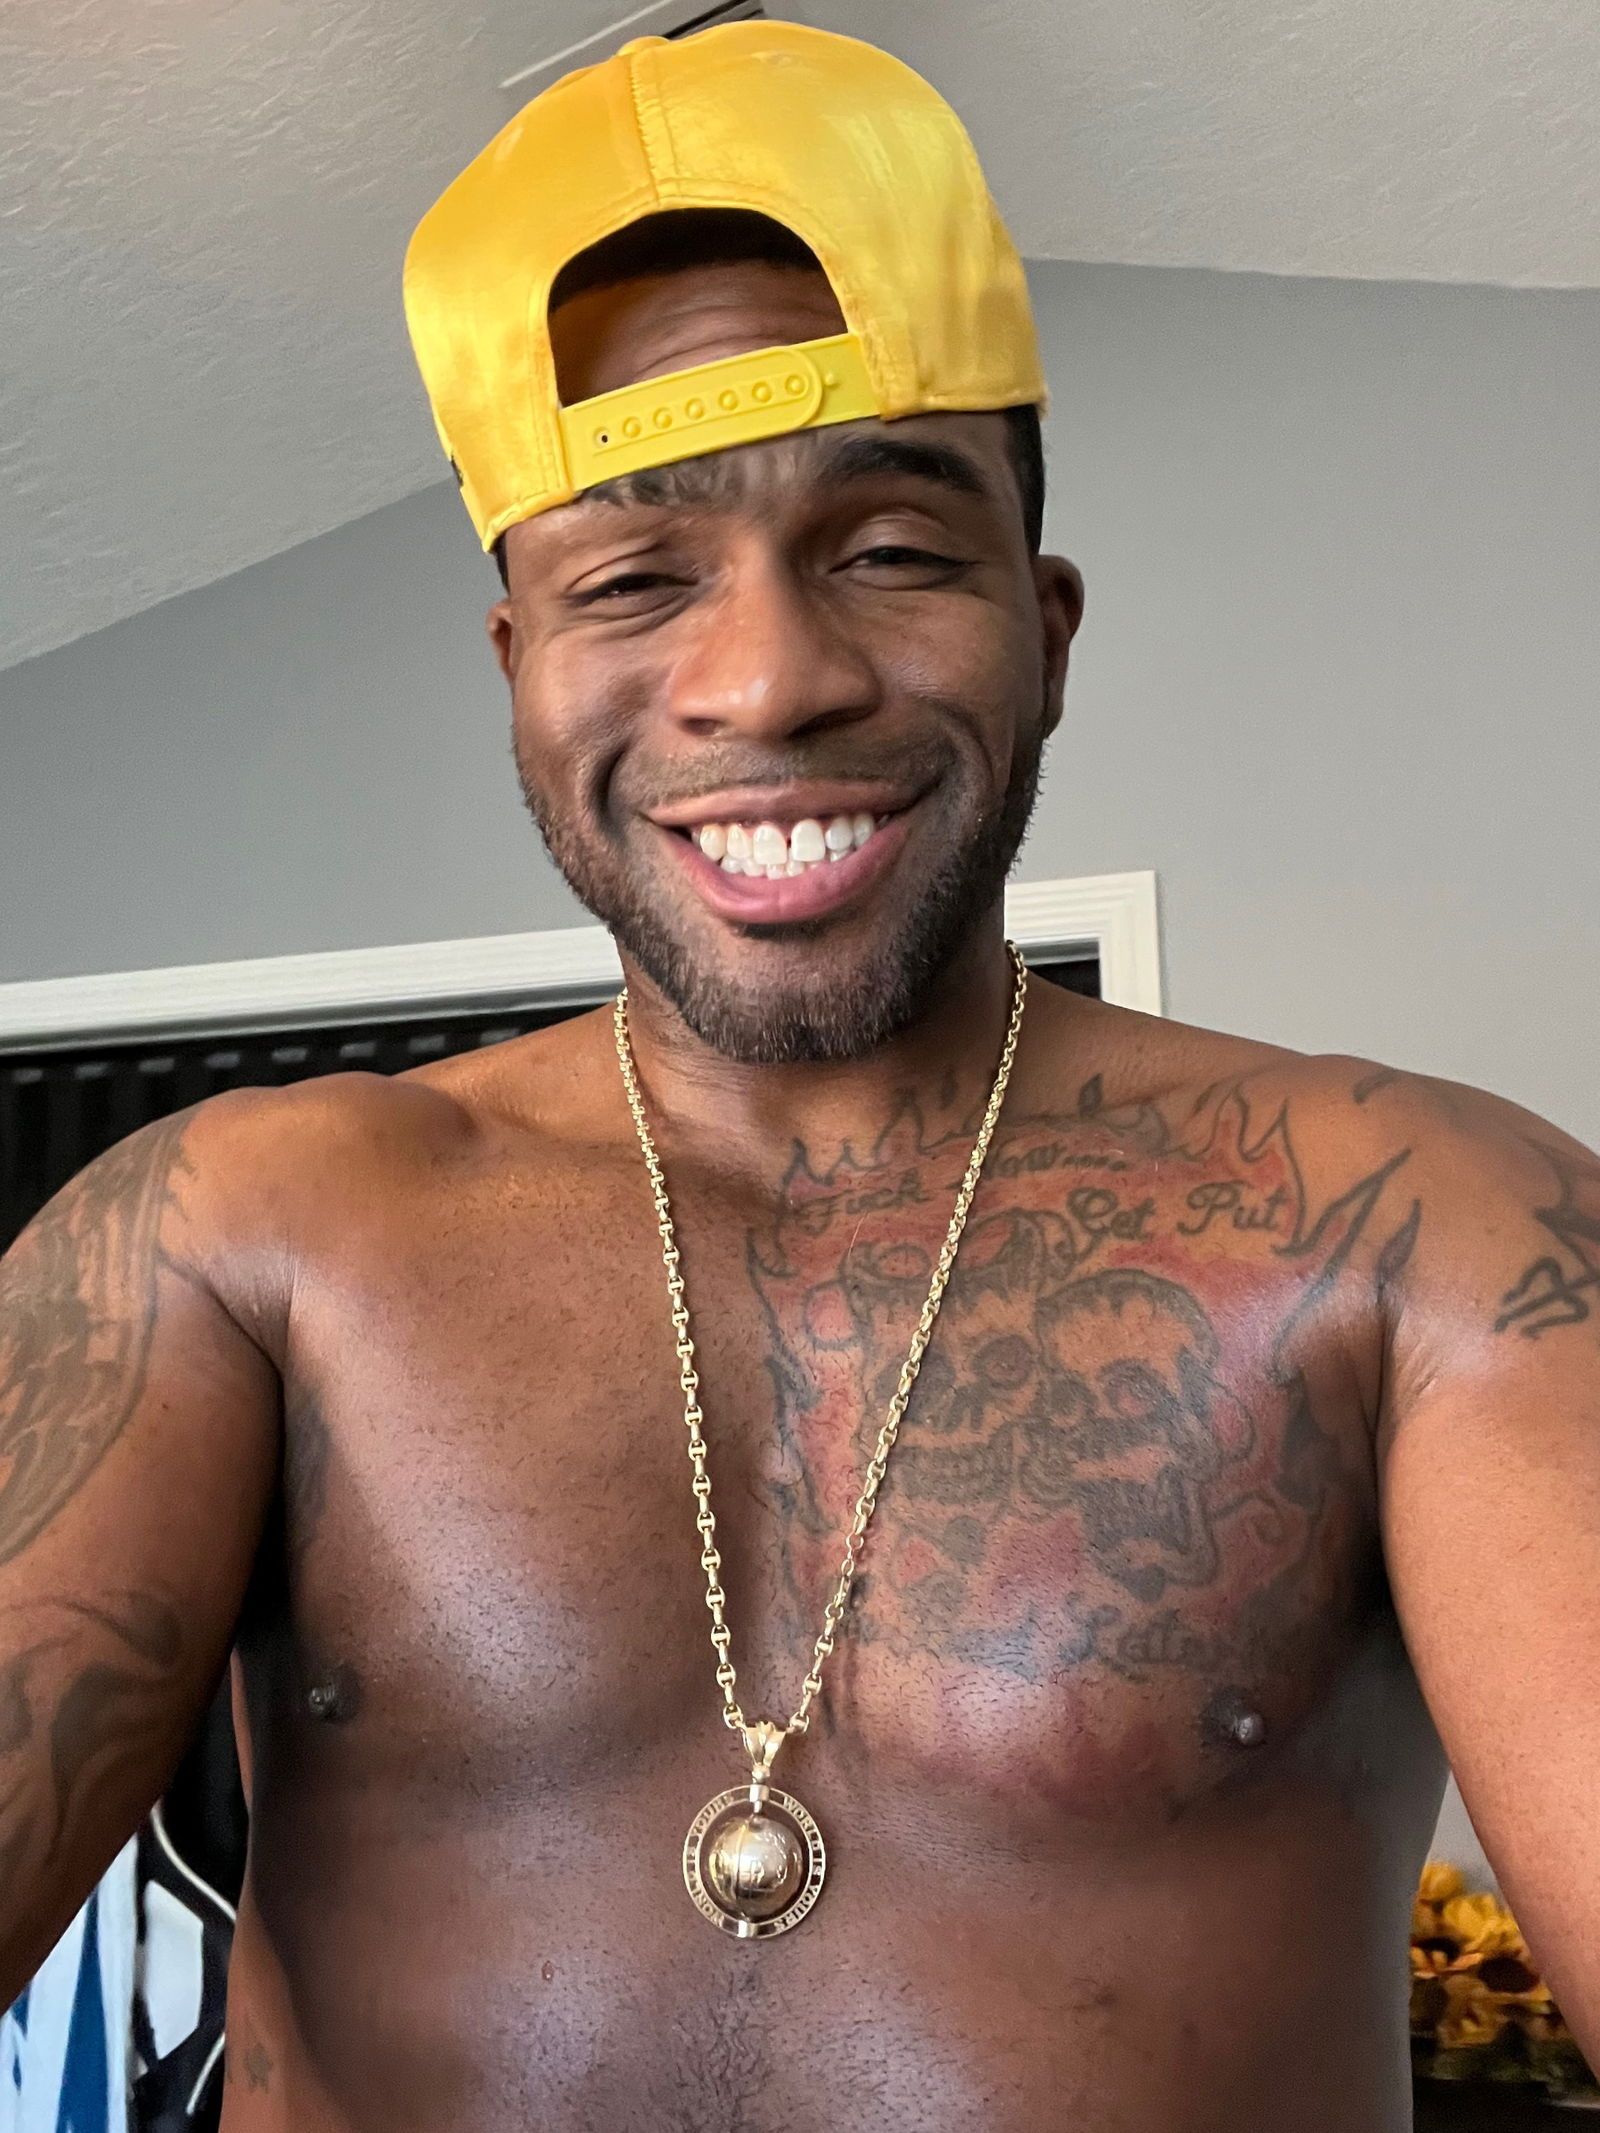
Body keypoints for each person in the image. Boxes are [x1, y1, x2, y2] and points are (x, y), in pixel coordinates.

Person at [1, 20, 1597, 2131]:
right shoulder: (228, 1242)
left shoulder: (1428, 1232)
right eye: (630, 577)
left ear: (1045, 627)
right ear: (519, 668)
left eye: (892, 548)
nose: (765, 680)